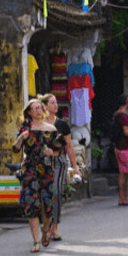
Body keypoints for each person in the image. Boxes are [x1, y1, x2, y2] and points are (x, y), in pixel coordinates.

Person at [12, 99, 63, 253]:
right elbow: (15, 149)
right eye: (34, 109)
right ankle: (35, 241)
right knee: (31, 204)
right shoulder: (25, 128)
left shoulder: (51, 129)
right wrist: (22, 138)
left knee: (47, 205)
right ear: (29, 112)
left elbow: (59, 150)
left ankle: (46, 230)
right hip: (30, 169)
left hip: (47, 169)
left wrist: (51, 152)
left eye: (40, 108)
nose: (38, 111)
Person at [39, 93, 81, 241]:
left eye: (56, 102)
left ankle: (54, 227)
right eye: (52, 103)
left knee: (56, 193)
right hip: (42, 163)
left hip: (59, 162)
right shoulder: (38, 124)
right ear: (44, 106)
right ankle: (46, 225)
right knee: (44, 194)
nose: (55, 105)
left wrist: (75, 167)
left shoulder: (61, 124)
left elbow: (69, 146)